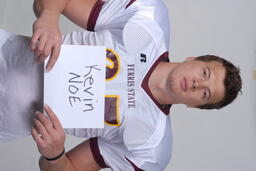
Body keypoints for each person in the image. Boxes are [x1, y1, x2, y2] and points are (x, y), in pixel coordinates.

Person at [0, 0, 242, 170]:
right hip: (6, 55)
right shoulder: (149, 19)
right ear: (194, 59)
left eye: (204, 94)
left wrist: (55, 154)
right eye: (204, 72)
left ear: (196, 107)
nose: (197, 84)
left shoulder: (151, 147)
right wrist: (50, 17)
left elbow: (68, 169)